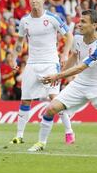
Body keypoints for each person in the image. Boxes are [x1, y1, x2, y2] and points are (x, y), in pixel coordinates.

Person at [10, 0, 74, 145]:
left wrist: (65, 54)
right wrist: (14, 57)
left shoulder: (52, 18)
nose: (34, 1)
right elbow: (19, 41)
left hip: (50, 64)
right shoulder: (25, 21)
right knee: (25, 100)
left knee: (55, 100)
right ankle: (19, 136)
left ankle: (69, 132)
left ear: (43, 0)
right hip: (32, 64)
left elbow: (69, 36)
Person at [28, 9, 97, 152]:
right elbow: (74, 56)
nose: (79, 24)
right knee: (51, 109)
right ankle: (41, 143)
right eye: (79, 21)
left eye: (83, 22)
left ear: (94, 25)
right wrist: (60, 73)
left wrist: (57, 76)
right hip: (79, 84)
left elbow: (80, 68)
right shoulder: (78, 38)